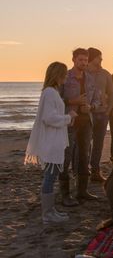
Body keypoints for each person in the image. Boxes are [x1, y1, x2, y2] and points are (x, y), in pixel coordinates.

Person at [25, 62, 78, 223]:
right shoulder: (49, 92)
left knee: (52, 176)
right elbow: (48, 118)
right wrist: (69, 117)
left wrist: (67, 118)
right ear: (58, 75)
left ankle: (51, 210)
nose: (67, 76)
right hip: (51, 141)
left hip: (55, 140)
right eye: (64, 74)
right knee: (49, 177)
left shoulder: (52, 92)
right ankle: (47, 214)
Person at [60, 48, 101, 205]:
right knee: (66, 156)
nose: (83, 63)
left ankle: (82, 192)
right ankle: (65, 195)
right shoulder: (66, 77)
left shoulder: (90, 78)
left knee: (84, 156)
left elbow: (96, 100)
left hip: (86, 122)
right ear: (73, 60)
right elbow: (57, 99)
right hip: (69, 122)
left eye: (85, 60)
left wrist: (91, 107)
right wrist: (73, 101)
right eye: (80, 60)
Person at [87, 47, 113, 182]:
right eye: (99, 57)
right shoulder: (83, 73)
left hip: (102, 114)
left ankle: (95, 171)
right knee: (85, 143)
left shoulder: (105, 74)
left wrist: (108, 110)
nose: (101, 60)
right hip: (87, 114)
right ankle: (81, 170)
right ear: (92, 58)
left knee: (99, 143)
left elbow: (112, 92)